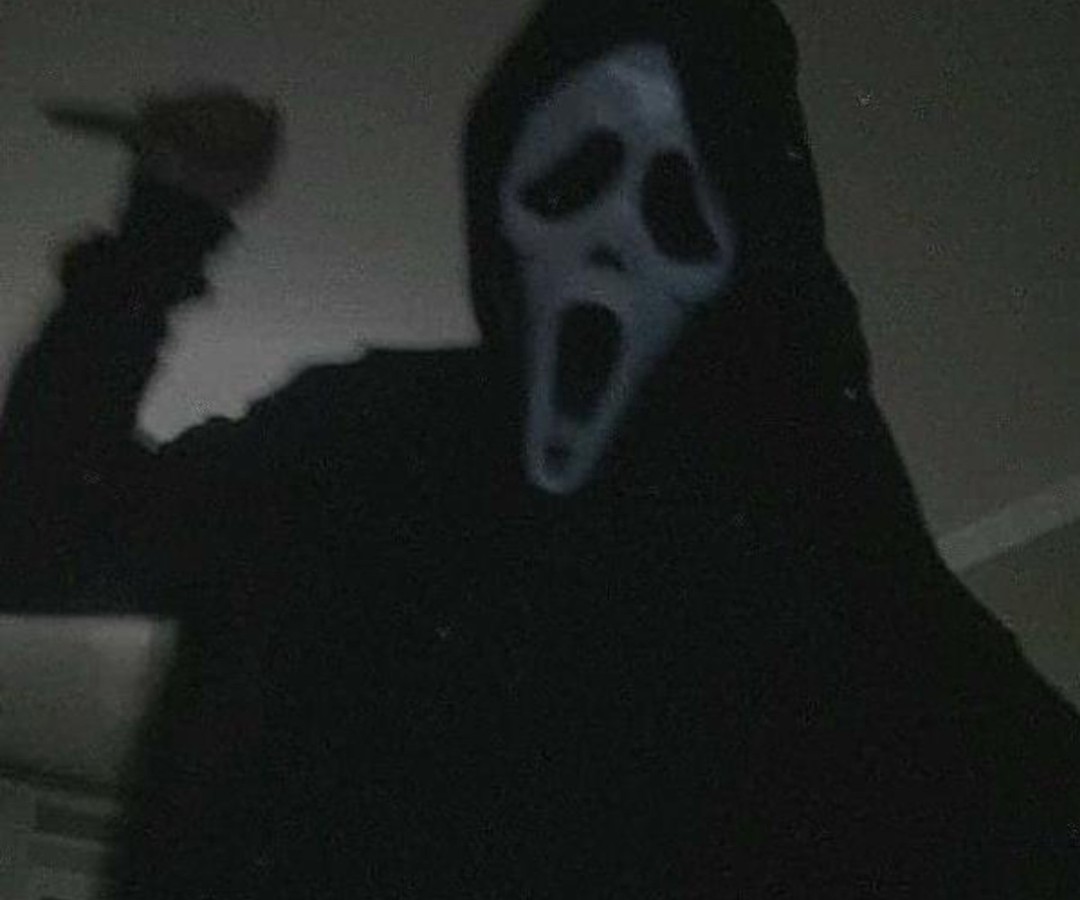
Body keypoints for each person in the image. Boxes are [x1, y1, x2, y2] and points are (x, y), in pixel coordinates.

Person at [3, 1, 1079, 896]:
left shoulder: (810, 530)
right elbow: (37, 536)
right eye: (573, 176)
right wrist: (165, 227)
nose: (610, 245)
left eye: (677, 197)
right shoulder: (360, 437)